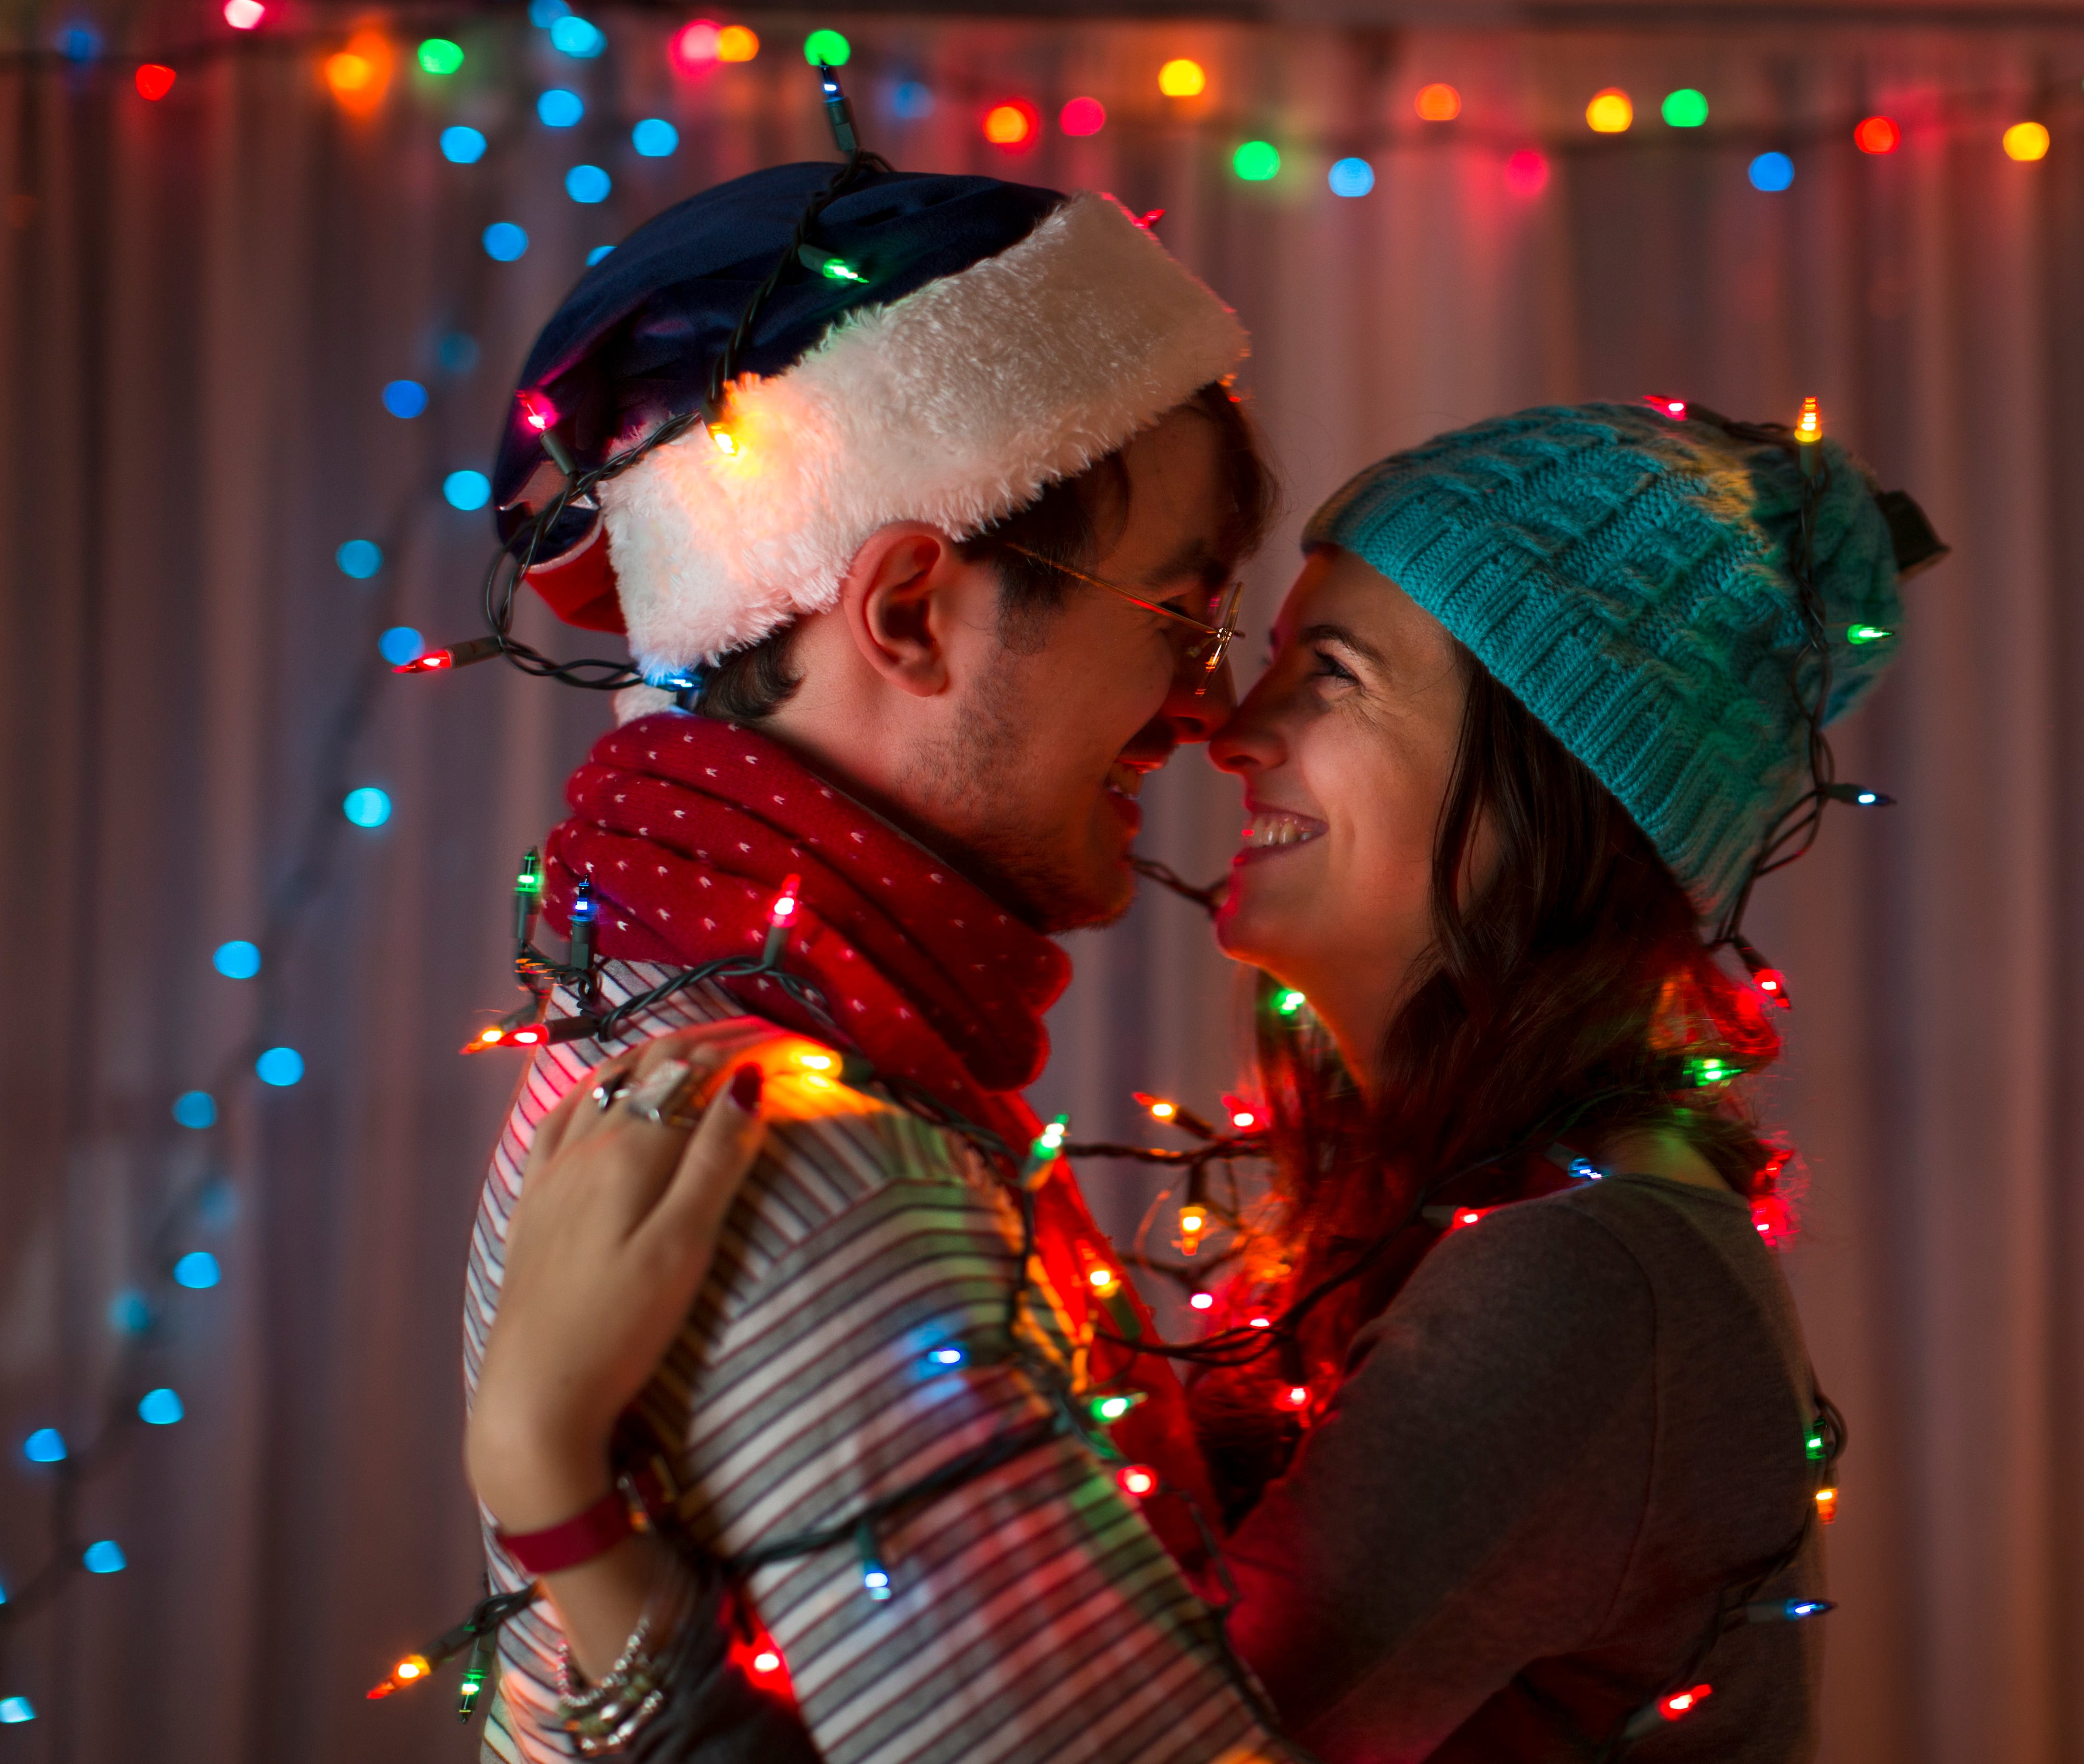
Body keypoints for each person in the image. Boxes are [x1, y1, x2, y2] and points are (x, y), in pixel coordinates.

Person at [480, 399, 1941, 1762]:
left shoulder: (1588, 1277)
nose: (1230, 731)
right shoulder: (1434, 1221)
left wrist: (557, 1499)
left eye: (1334, 676)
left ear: (1549, 788)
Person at [447, 152, 1304, 1764]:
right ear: (911, 610)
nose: (1213, 712)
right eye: (1182, 622)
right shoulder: (812, 1168)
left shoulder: (641, 994)